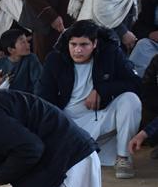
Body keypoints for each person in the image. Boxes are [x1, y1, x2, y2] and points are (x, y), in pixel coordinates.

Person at [36, 20, 142, 178]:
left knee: (131, 100)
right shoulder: (55, 59)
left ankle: (123, 157)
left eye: (84, 44)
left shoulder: (110, 53)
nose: (78, 50)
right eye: (73, 44)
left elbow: (135, 83)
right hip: (68, 122)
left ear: (94, 44)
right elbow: (44, 97)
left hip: (100, 118)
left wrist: (102, 90)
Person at [0, 29, 41, 93]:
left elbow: (39, 83)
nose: (28, 44)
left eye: (27, 41)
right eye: (23, 42)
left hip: (25, 101)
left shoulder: (31, 59)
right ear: (11, 50)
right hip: (4, 101)